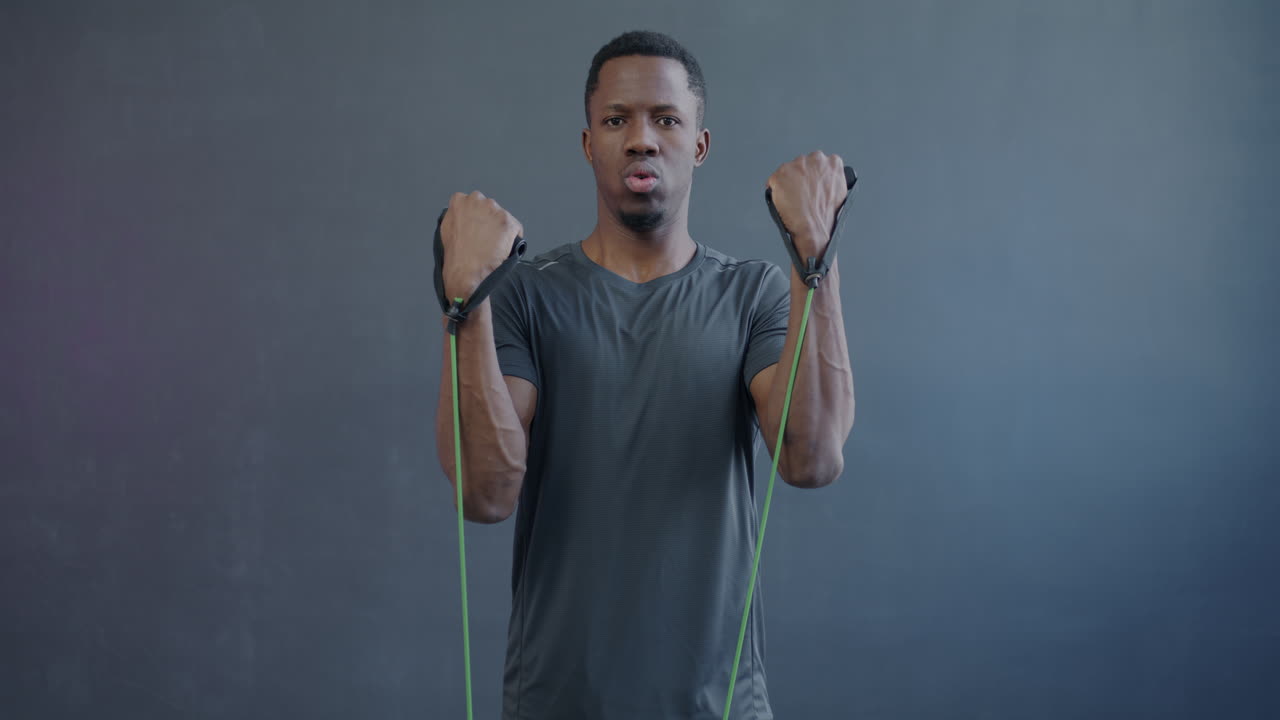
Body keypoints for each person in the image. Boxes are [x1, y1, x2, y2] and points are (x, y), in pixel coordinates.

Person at [435, 30, 855, 720]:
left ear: (699, 145)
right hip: (557, 703)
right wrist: (467, 298)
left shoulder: (751, 295)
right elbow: (484, 494)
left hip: (716, 706)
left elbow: (810, 459)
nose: (640, 139)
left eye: (665, 119)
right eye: (616, 120)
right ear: (588, 143)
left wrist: (817, 253)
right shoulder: (525, 297)